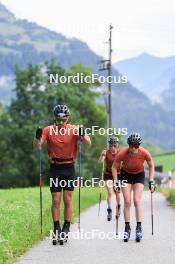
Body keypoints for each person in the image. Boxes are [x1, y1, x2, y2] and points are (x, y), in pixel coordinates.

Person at [33, 104, 91, 242]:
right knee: (56, 200)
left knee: (68, 199)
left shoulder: (74, 129)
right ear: (54, 119)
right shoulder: (48, 130)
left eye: (63, 120)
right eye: (58, 120)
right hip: (55, 168)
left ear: (67, 118)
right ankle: (56, 228)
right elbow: (37, 146)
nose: (61, 123)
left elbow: (88, 142)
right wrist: (37, 137)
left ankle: (66, 227)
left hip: (69, 167)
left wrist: (83, 134)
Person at [112, 133, 156, 242]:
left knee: (137, 200)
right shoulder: (122, 153)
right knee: (127, 201)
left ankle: (139, 228)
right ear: (129, 145)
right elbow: (114, 167)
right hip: (125, 175)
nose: (134, 148)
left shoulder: (144, 152)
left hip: (139, 175)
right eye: (132, 146)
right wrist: (116, 182)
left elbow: (151, 165)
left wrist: (151, 180)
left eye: (136, 146)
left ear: (139, 145)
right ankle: (127, 228)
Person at [98, 137, 121, 221]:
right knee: (110, 192)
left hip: (118, 174)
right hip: (108, 174)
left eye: (114, 145)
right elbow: (100, 162)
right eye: (111, 145)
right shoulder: (106, 152)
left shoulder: (120, 152)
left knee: (117, 192)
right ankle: (109, 210)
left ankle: (118, 206)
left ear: (117, 145)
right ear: (109, 145)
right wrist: (102, 155)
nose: (113, 147)